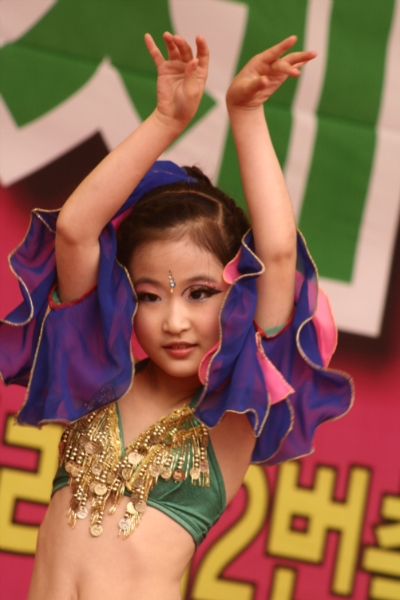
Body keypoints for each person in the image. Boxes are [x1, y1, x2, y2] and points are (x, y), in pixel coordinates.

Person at [0, 32, 353, 600]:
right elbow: (75, 230)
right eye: (149, 296)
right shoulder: (96, 376)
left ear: (237, 298)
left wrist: (245, 115)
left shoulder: (233, 408)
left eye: (200, 293)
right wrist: (166, 120)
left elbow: (279, 253)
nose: (174, 321)